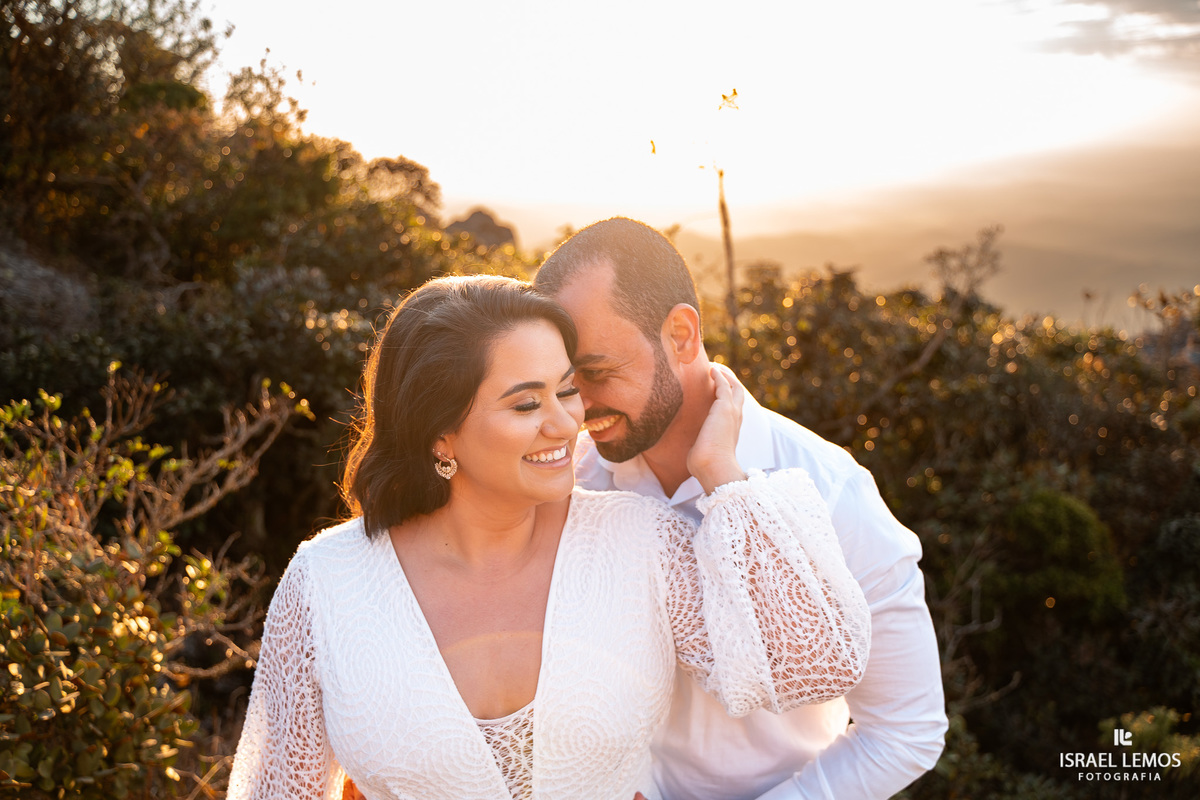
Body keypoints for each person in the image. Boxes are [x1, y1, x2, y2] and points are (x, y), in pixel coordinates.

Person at [226, 275, 871, 800]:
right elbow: (277, 792)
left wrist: (723, 476)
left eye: (568, 390)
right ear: (439, 434)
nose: (567, 424)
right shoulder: (325, 583)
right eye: (526, 404)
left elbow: (811, 665)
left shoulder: (641, 543)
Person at [534, 218, 949, 800]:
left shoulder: (833, 491)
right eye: (564, 382)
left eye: (597, 373)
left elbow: (907, 733)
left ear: (681, 335)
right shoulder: (568, 480)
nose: (578, 407)